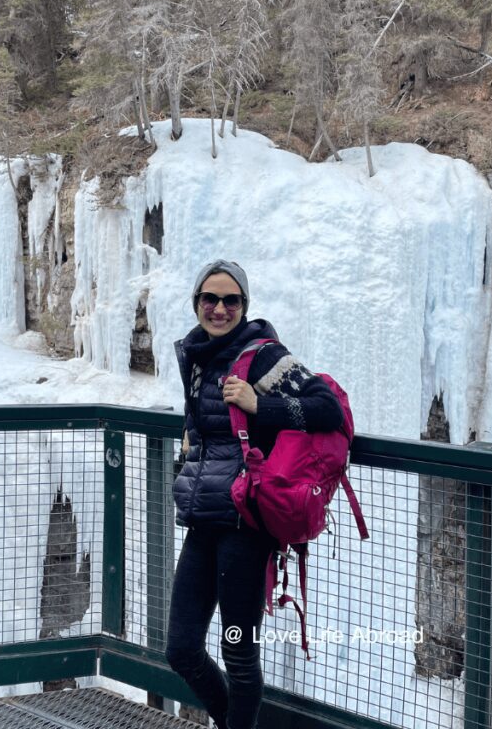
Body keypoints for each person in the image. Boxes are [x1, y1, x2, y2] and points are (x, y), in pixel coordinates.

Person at [166, 259, 343, 729]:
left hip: (247, 523)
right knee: (181, 649)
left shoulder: (261, 355)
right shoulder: (197, 354)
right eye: (210, 298)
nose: (219, 308)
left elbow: (327, 410)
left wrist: (258, 404)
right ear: (196, 303)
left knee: (238, 651)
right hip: (205, 518)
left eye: (231, 300)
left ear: (244, 306)